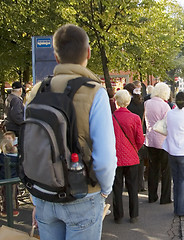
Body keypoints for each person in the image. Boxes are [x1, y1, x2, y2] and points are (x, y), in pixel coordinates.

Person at [27, 24, 117, 240]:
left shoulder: (38, 90)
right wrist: (105, 189)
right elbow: (105, 157)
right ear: (88, 53)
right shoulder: (95, 92)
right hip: (82, 195)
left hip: (44, 191)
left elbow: (30, 142)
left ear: (56, 56)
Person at [112, 90, 144, 224]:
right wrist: (134, 149)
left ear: (116, 102)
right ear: (128, 102)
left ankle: (118, 215)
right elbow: (140, 139)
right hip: (131, 158)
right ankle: (134, 215)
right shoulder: (135, 118)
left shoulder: (110, 117)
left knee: (117, 188)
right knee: (132, 187)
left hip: (115, 158)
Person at [144, 82, 172, 204]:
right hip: (163, 141)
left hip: (150, 139)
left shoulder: (147, 103)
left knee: (153, 169)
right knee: (165, 170)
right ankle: (165, 198)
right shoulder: (165, 107)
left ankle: (152, 196)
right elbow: (168, 124)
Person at [124, 82, 148, 192]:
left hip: (130, 134)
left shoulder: (129, 105)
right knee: (140, 160)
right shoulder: (142, 103)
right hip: (141, 133)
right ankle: (140, 184)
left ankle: (132, 185)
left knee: (132, 160)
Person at [0, 137, 19, 217]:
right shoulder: (16, 156)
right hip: (14, 178)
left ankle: (4, 209)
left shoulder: (1, 157)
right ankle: (13, 209)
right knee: (13, 195)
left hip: (3, 178)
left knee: (4, 195)